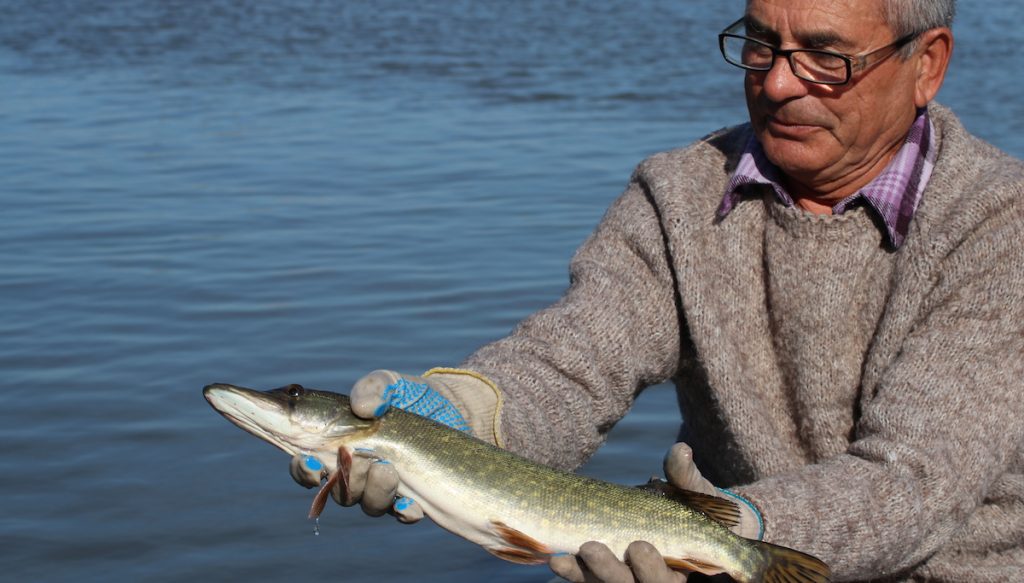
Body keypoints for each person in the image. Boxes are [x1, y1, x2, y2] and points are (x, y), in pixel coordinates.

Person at [299, 0, 1024, 580]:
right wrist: (463, 412)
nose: (776, 83)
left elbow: (914, 481)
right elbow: (570, 362)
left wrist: (730, 530)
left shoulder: (999, 224)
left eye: (827, 58)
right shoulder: (680, 193)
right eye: (760, 43)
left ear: (926, 65)